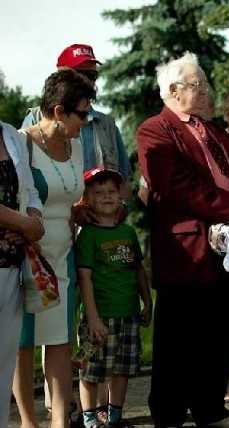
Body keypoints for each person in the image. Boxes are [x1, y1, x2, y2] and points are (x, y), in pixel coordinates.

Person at [136, 52, 229, 428]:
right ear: (173, 90)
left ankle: (211, 411)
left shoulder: (215, 129)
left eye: (206, 84)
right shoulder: (154, 130)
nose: (207, 91)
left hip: (226, 249)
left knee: (217, 334)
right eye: (198, 85)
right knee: (177, 340)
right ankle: (169, 417)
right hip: (185, 251)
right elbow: (174, 186)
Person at [13, 68, 96, 428]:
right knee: (24, 344)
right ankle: (29, 422)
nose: (87, 119)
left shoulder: (77, 144)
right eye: (82, 113)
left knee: (60, 339)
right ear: (59, 112)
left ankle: (60, 421)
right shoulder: (22, 143)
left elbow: (69, 195)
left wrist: (79, 210)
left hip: (64, 254)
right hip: (28, 258)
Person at [74, 167, 152, 428]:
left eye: (111, 191)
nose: (107, 196)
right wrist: (93, 318)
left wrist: (148, 302)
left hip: (128, 314)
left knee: (123, 369)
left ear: (120, 195)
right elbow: (85, 278)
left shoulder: (128, 232)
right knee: (91, 370)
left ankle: (115, 416)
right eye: (98, 192)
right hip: (100, 318)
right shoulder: (88, 236)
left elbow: (138, 269)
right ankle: (89, 418)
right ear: (87, 200)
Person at [23, 43, 132, 205]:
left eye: (93, 75)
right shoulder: (34, 120)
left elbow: (123, 183)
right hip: (48, 220)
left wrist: (117, 211)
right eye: (80, 74)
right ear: (61, 76)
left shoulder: (108, 125)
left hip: (100, 223)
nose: (87, 81)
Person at [0, 120, 44, 427]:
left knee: (4, 362)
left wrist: (34, 222)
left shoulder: (11, 135)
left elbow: (29, 192)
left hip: (11, 263)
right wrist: (22, 223)